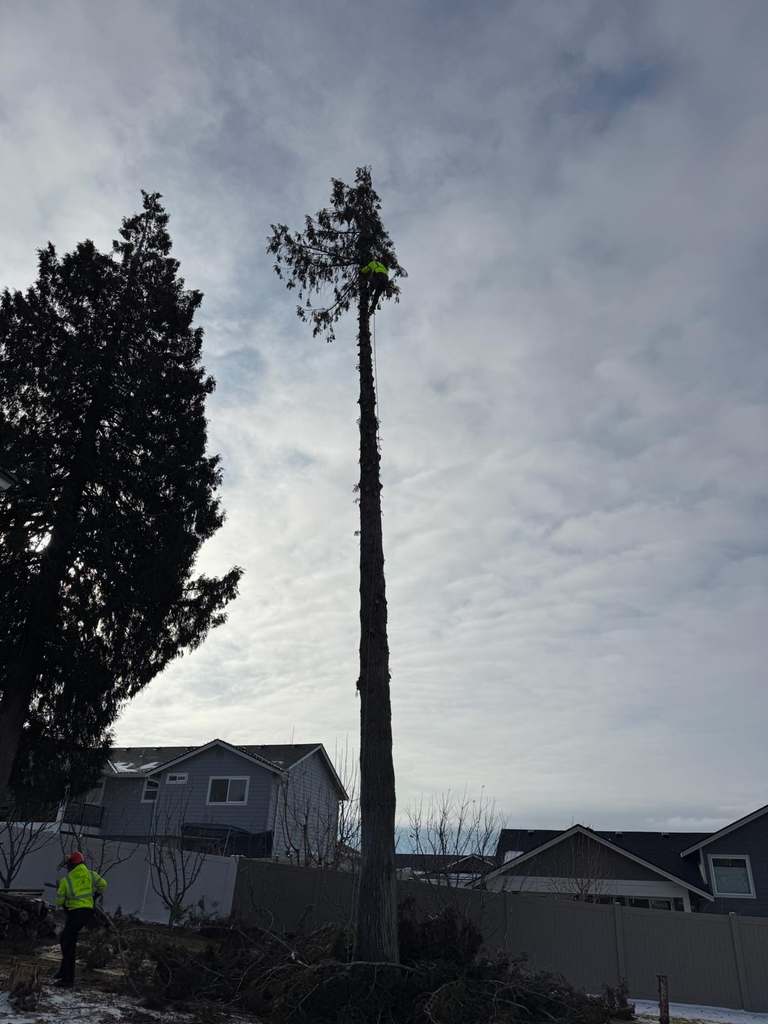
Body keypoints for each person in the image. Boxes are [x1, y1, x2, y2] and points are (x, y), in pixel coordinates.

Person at [53, 851, 107, 988]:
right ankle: (62, 971)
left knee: (68, 944)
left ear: (71, 865)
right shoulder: (91, 874)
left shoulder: (66, 880)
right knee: (65, 939)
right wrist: (94, 896)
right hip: (87, 912)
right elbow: (103, 884)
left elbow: (59, 902)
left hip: (74, 913)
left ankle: (68, 980)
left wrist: (63, 897)